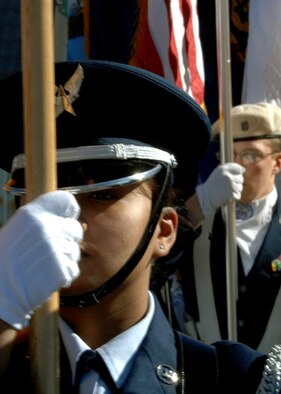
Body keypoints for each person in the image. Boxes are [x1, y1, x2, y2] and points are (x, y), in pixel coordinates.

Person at [0, 62, 277, 393]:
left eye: (102, 194)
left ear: (164, 231)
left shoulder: (237, 380)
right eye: (40, 194)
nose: (65, 213)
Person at [178, 102, 281, 354]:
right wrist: (200, 202)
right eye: (228, 154)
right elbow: (156, 254)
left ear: (277, 163)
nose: (236, 166)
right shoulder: (199, 216)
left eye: (251, 155)